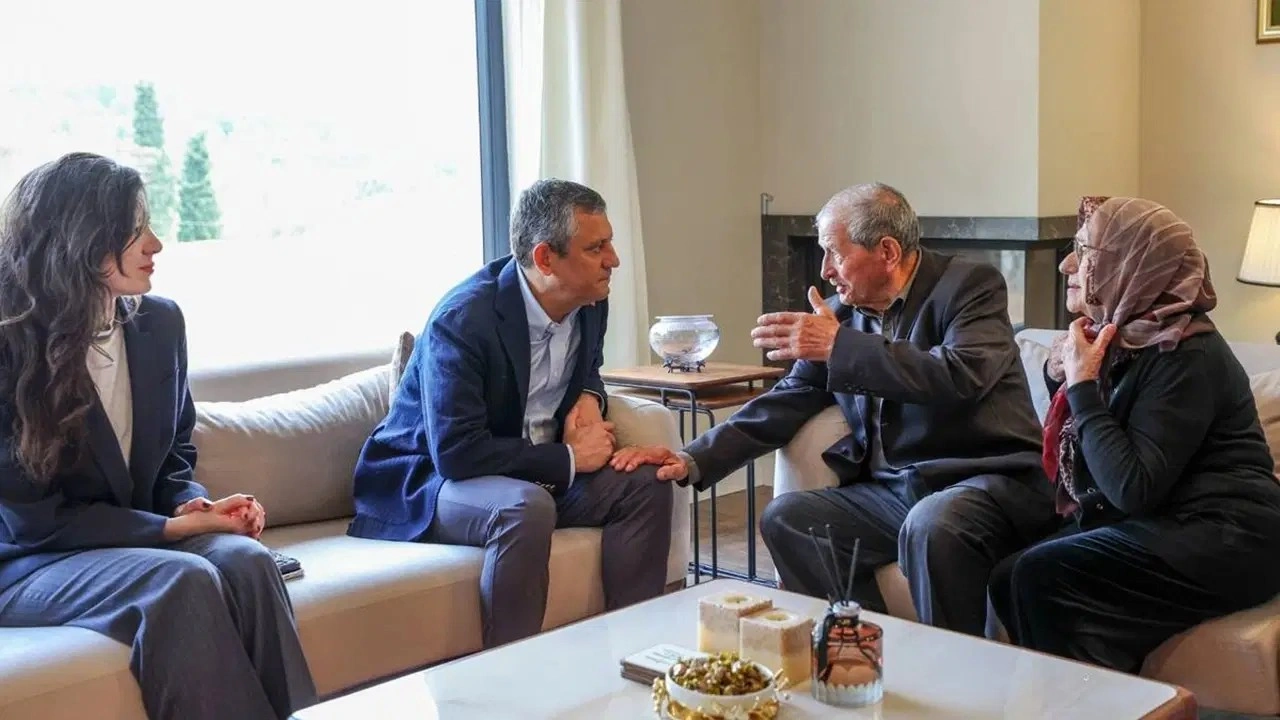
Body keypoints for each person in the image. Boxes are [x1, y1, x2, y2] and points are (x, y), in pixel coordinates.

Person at [613, 182, 1055, 637]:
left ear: (887, 251)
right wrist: (692, 457)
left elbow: (961, 374)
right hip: (898, 491)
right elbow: (790, 398)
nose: (825, 271)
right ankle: (864, 645)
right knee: (787, 519)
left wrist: (839, 346)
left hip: (982, 481)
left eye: (834, 253)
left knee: (932, 524)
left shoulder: (969, 286)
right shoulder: (840, 315)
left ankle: (959, 667)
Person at [0, 153, 317, 720]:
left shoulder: (159, 323)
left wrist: (191, 505)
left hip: (131, 538)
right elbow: (32, 521)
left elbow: (173, 455)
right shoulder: (11, 346)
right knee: (180, 580)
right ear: (80, 240)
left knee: (248, 562)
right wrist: (171, 529)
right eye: (135, 229)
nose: (155, 244)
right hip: (30, 561)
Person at [348, 178, 673, 648]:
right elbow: (457, 453)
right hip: (432, 479)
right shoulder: (464, 320)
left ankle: (636, 653)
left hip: (529, 471)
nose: (614, 260)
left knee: (646, 483)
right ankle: (513, 676)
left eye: (610, 243)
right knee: (524, 508)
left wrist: (589, 395)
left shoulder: (589, 301)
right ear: (545, 258)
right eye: (596, 248)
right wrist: (567, 459)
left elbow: (588, 367)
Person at [987, 197, 1280, 672]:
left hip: (1226, 537)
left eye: (1084, 252)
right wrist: (1062, 376)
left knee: (1039, 574)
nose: (1066, 265)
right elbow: (1094, 452)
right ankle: (1074, 694)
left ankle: (1095, 699)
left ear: (1133, 265)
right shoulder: (1121, 338)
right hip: (1162, 522)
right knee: (1005, 574)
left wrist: (1082, 386)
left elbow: (1130, 487)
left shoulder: (1184, 352)